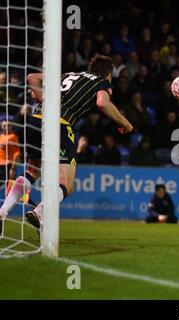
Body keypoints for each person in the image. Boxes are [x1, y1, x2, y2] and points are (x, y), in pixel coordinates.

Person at [0, 55, 134, 232]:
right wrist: (125, 123)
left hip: (35, 121)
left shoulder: (68, 75)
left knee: (33, 170)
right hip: (60, 125)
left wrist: (43, 100)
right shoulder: (101, 82)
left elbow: (31, 77)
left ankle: (2, 211)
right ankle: (39, 211)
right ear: (109, 75)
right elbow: (102, 103)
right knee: (66, 184)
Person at [0, 121, 20, 187]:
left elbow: (17, 153)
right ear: (1, 127)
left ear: (11, 126)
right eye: (4, 125)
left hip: (7, 164)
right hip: (1, 164)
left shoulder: (13, 137)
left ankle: (24, 197)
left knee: (10, 185)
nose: (6, 127)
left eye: (8, 125)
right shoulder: (1, 136)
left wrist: (13, 168)